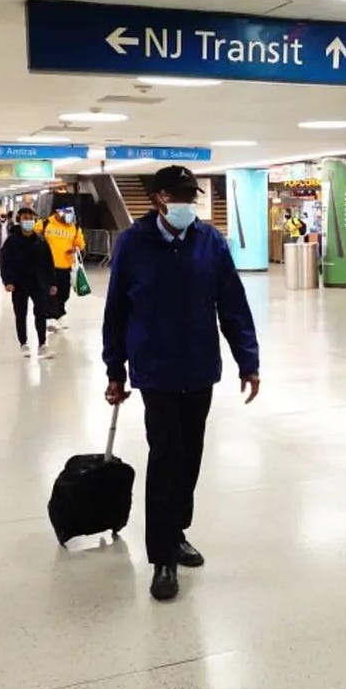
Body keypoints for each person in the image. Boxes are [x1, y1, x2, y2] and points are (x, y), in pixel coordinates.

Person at [102, 165, 260, 602]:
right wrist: (115, 368)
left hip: (198, 367)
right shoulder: (134, 243)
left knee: (190, 456)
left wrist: (248, 360)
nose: (186, 204)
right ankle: (162, 556)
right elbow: (116, 311)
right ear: (158, 199)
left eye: (191, 197)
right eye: (178, 196)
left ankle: (177, 531)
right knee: (167, 456)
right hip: (155, 370)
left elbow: (232, 305)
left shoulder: (210, 242)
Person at [0, 206, 56, 358]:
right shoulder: (12, 241)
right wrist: (7, 281)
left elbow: (49, 262)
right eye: (25, 218)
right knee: (20, 313)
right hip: (19, 284)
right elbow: (4, 262)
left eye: (31, 218)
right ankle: (23, 343)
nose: (28, 221)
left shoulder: (40, 240)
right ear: (19, 220)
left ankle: (42, 344)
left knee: (41, 313)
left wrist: (52, 283)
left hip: (38, 283)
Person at [40, 207, 85, 331]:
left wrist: (76, 248)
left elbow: (80, 244)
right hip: (48, 266)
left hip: (65, 266)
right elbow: (32, 230)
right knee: (50, 292)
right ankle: (50, 317)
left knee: (64, 293)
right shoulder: (46, 224)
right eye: (65, 214)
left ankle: (59, 313)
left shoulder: (74, 228)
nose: (67, 218)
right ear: (57, 213)